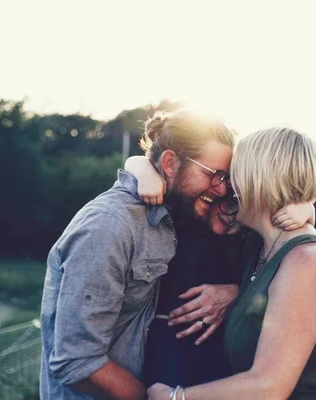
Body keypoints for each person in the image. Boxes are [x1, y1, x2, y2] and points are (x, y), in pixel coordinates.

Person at [39, 110, 235, 400]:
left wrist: (233, 292)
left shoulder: (175, 213)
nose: (221, 188)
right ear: (169, 163)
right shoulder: (109, 227)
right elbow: (77, 361)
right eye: (212, 174)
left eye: (225, 177)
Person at [148, 127, 316, 400]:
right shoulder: (258, 248)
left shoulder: (307, 261)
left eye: (235, 176)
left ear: (260, 180)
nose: (227, 188)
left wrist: (175, 397)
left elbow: (268, 387)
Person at [123, 157, 315, 388]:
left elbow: (277, 268)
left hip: (221, 342)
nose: (231, 213)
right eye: (224, 200)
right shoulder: (185, 217)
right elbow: (137, 161)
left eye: (238, 203)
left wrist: (308, 207)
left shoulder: (251, 237)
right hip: (169, 339)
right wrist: (145, 173)